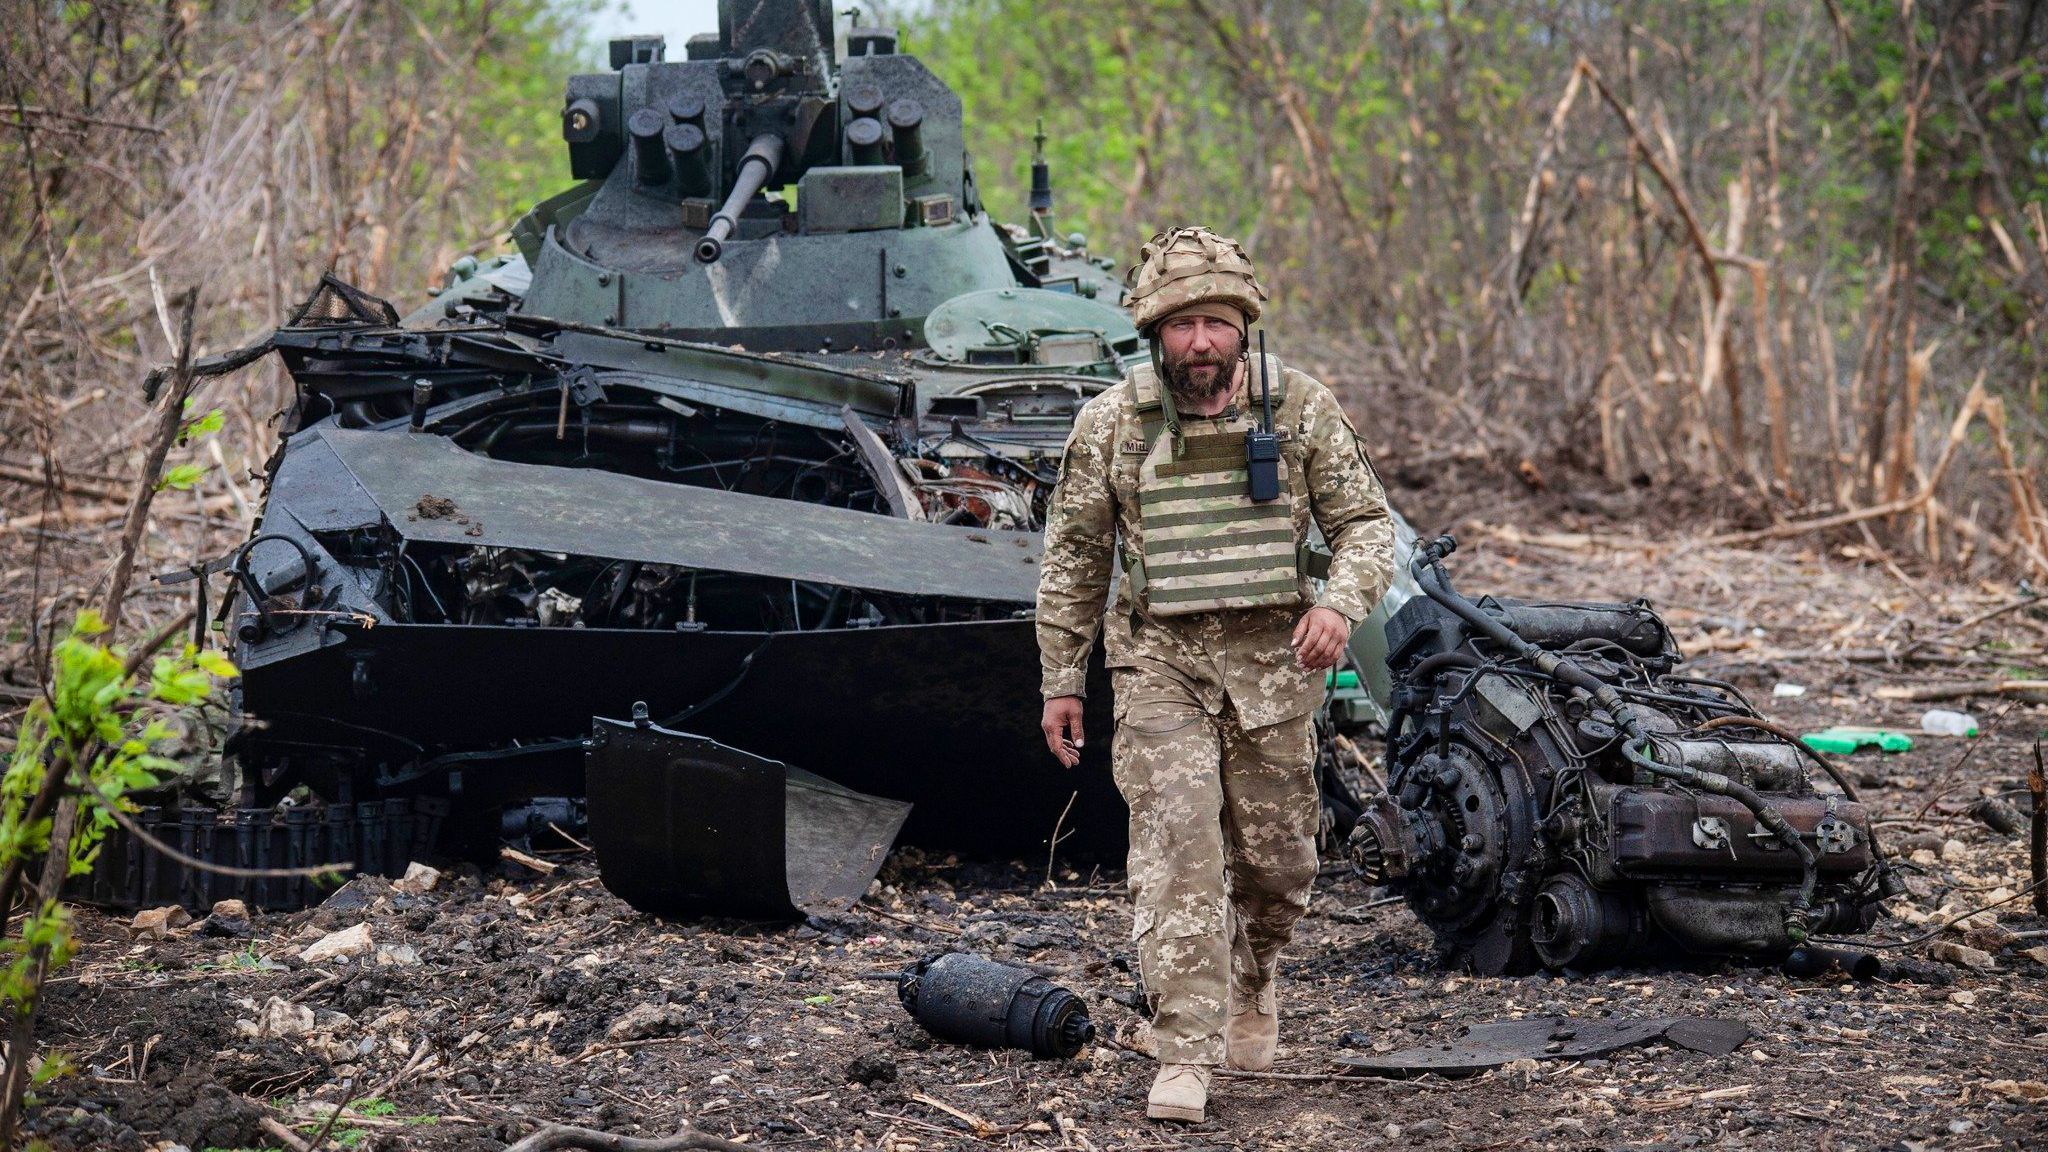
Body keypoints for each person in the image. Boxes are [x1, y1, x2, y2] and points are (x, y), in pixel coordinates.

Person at [1034, 226, 1395, 1123]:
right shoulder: (1113, 424)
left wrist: (1339, 606)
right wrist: (1061, 677)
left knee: (1279, 866)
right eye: (1184, 323)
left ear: (1245, 327)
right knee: (1177, 853)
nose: (1201, 342)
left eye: (1218, 323)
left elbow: (1368, 525)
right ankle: (1184, 1050)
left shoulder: (1301, 410)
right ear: (1156, 332)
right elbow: (1075, 559)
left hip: (1277, 664)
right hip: (1161, 660)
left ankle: (1256, 976)